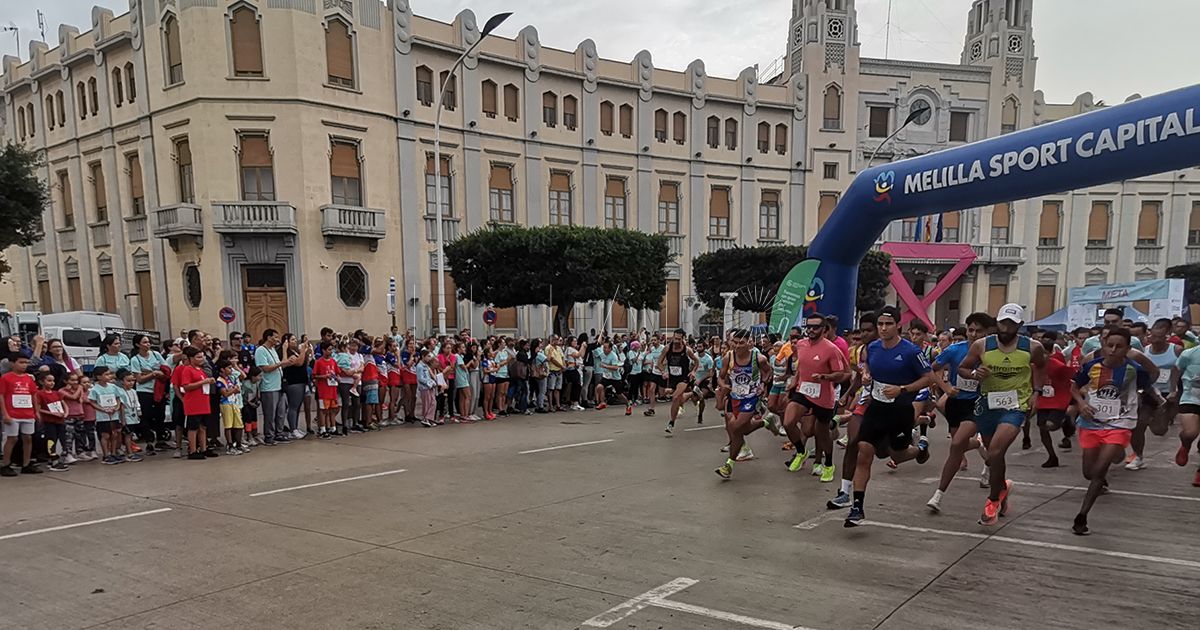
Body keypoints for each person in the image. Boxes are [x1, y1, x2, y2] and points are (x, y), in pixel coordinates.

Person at [957, 304, 1046, 526]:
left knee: (995, 450)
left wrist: (1037, 392)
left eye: (1011, 324)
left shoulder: (1032, 347)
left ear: (1020, 325)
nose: (1006, 327)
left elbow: (1041, 368)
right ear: (997, 322)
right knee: (993, 456)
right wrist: (976, 373)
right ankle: (1003, 489)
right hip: (988, 405)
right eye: (1003, 322)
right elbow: (962, 369)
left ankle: (993, 499)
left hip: (1015, 405)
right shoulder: (981, 345)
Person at [843, 307, 932, 526]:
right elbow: (868, 369)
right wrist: (866, 377)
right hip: (877, 407)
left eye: (888, 324)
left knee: (897, 454)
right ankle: (857, 507)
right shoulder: (872, 348)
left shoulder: (910, 351)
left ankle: (920, 449)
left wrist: (903, 389)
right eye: (880, 324)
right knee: (864, 450)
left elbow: (928, 378)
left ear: (898, 326)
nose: (883, 329)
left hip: (900, 410)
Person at [1070, 328, 1152, 535]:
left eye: (1119, 346)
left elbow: (1148, 384)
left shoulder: (1135, 369)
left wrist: (1144, 399)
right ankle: (1115, 455)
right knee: (1089, 472)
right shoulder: (1090, 366)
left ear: (1128, 349)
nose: (1114, 350)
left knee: (1099, 471)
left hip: (1120, 423)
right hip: (1091, 423)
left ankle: (1082, 516)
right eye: (1110, 345)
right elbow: (1073, 387)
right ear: (1103, 345)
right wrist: (1081, 404)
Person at [926, 312, 994, 512]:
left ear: (988, 332)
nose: (973, 334)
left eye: (978, 330)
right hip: (956, 402)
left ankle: (938, 494)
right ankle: (983, 449)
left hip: (979, 403)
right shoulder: (955, 350)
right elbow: (931, 369)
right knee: (959, 445)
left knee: (956, 444)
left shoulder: (994, 352)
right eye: (971, 330)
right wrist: (945, 388)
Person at [782, 314, 851, 483]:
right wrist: (794, 381)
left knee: (822, 434)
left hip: (824, 395)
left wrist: (826, 377)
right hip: (803, 390)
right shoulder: (800, 344)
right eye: (809, 327)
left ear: (824, 329)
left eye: (815, 327)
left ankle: (828, 465)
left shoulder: (831, 349)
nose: (811, 330)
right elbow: (801, 366)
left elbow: (843, 374)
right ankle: (801, 451)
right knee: (788, 422)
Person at [827, 311, 879, 510]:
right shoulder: (862, 351)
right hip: (866, 401)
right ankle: (844, 492)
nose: (864, 334)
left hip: (887, 404)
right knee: (853, 443)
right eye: (862, 330)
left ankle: (919, 445)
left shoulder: (889, 351)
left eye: (868, 330)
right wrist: (847, 394)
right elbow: (859, 375)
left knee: (892, 452)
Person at [714, 329, 773, 480]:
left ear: (749, 343)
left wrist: (763, 385)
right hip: (734, 397)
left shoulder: (758, 358)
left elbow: (768, 372)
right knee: (742, 430)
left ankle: (728, 465)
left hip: (751, 398)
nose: (738, 346)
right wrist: (723, 386)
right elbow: (720, 377)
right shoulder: (729, 356)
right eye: (735, 342)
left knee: (735, 429)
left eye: (741, 343)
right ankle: (764, 423)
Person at [1126, 318, 1178, 470]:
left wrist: (1176, 390)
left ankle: (1158, 418)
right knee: (1139, 425)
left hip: (1168, 393)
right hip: (1149, 391)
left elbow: (1181, 370)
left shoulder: (1176, 350)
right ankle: (1138, 456)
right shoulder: (1144, 351)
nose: (1153, 339)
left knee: (1160, 430)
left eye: (1158, 337)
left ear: (1167, 335)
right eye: (1151, 336)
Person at [1034, 331, 1076, 469]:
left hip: (1058, 399)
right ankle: (1052, 456)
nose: (1042, 357)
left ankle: (1065, 421)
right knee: (1042, 428)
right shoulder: (1033, 365)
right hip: (1043, 400)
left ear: (1050, 353)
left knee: (1051, 425)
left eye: (1045, 353)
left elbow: (1073, 376)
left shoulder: (1057, 364)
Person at [129, 334, 169, 454]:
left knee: (160, 414)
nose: (148, 344)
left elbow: (165, 370)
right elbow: (139, 379)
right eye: (145, 342)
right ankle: (149, 440)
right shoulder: (135, 360)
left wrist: (150, 373)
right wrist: (153, 374)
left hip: (158, 390)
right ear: (138, 345)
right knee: (146, 416)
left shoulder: (156, 355)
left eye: (148, 342)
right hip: (144, 391)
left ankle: (161, 439)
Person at [177, 347, 216, 460]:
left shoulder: (200, 369)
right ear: (191, 358)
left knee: (203, 427)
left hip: (203, 401)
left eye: (202, 356)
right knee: (193, 427)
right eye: (198, 357)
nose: (201, 359)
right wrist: (204, 381)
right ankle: (193, 450)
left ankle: (203, 448)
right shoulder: (187, 370)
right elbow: (186, 386)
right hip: (193, 403)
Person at [660, 329, 701, 433]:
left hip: (684, 377)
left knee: (675, 397)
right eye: (675, 338)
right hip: (673, 377)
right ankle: (692, 393)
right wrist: (663, 372)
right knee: (680, 399)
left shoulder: (687, 350)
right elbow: (659, 362)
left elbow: (697, 362)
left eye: (679, 339)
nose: (676, 341)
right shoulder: (667, 348)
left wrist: (693, 372)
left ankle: (671, 423)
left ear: (683, 339)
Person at [255, 329, 291, 444]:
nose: (277, 339)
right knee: (270, 413)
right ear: (269, 338)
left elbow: (279, 366)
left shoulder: (273, 350)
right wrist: (281, 363)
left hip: (279, 386)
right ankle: (269, 436)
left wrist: (285, 362)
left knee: (280, 412)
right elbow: (265, 368)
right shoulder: (261, 350)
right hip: (268, 387)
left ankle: (278, 433)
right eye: (275, 337)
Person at [1173, 339, 1200, 487]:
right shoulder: (1190, 354)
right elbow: (1176, 369)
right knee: (1190, 433)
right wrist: (1174, 390)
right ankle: (1185, 444)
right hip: (1192, 397)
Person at [88, 366, 125, 465]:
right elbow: (92, 401)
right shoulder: (95, 389)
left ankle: (113, 453)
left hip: (114, 415)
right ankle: (106, 455)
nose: (109, 376)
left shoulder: (113, 387)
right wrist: (102, 409)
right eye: (106, 374)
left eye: (109, 374)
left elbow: (118, 398)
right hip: (102, 416)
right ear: (99, 377)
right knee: (105, 435)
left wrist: (116, 407)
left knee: (114, 434)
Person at [34, 371, 69, 472]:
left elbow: (63, 403)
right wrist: (52, 414)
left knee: (60, 439)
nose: (52, 383)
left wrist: (66, 413)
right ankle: (53, 460)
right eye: (49, 381)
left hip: (60, 420)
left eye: (53, 381)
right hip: (49, 421)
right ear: (42, 382)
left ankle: (57, 458)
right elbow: (39, 409)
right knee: (51, 440)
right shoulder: (39, 394)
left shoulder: (56, 393)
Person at [281, 334, 311, 439]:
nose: (295, 341)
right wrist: (303, 350)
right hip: (293, 382)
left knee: (298, 406)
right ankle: (292, 429)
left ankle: (296, 427)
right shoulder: (288, 352)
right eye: (292, 339)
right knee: (293, 406)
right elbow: (299, 363)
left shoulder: (295, 351)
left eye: (295, 339)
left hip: (301, 380)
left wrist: (306, 352)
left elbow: (304, 363)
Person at [216, 360, 246, 455]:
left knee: (239, 424)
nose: (231, 370)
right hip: (226, 404)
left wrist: (234, 390)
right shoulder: (219, 381)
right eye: (229, 368)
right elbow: (225, 393)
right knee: (228, 425)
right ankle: (230, 445)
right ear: (222, 369)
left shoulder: (230, 378)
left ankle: (239, 444)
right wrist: (234, 390)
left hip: (234, 403)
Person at [116, 369, 145, 463]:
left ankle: (128, 450)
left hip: (133, 416)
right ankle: (129, 453)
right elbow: (122, 406)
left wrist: (138, 414)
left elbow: (136, 403)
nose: (131, 383)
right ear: (121, 381)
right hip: (125, 417)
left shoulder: (133, 391)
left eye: (133, 380)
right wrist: (123, 420)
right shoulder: (120, 392)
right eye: (128, 381)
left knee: (130, 435)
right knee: (127, 435)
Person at [313, 342, 340, 438]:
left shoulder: (333, 361)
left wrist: (338, 378)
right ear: (323, 350)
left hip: (332, 389)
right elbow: (314, 375)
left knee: (333, 409)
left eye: (331, 349)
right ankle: (322, 429)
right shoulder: (319, 362)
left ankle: (333, 427)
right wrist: (324, 376)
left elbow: (337, 373)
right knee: (323, 410)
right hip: (323, 390)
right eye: (328, 349)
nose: (330, 351)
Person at [416, 351, 439, 427]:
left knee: (433, 402)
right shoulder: (419, 366)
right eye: (428, 356)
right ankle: (426, 418)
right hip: (424, 388)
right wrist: (429, 383)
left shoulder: (426, 366)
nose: (430, 358)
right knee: (427, 403)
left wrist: (432, 382)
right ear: (423, 356)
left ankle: (429, 418)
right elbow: (420, 378)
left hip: (430, 387)